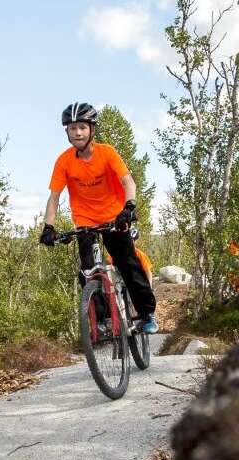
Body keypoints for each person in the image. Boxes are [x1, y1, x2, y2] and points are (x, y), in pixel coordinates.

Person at [39, 102, 157, 332]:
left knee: (128, 263)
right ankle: (103, 321)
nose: (78, 132)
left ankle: (147, 314)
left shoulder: (106, 153)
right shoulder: (64, 161)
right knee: (88, 272)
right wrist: (48, 227)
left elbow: (128, 182)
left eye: (82, 127)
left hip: (114, 217)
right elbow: (54, 197)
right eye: (72, 128)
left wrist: (129, 207)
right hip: (85, 221)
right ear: (67, 132)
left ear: (92, 129)